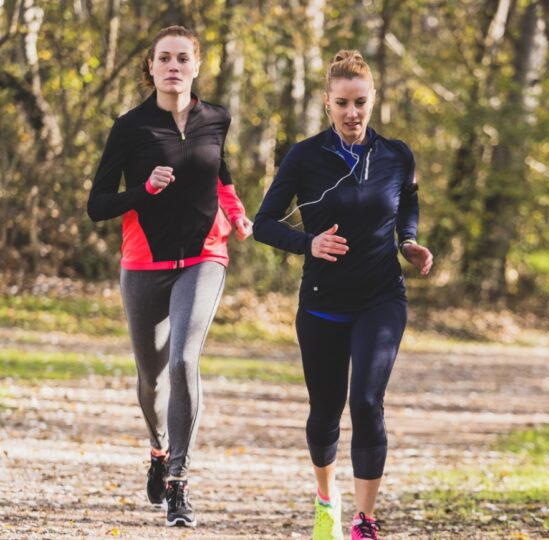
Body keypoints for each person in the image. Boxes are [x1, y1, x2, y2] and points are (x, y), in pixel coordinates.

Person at [253, 49, 433, 540]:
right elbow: (264, 224)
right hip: (322, 301)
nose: (352, 113)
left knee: (367, 401)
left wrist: (409, 243)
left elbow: (408, 203)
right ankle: (326, 501)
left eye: (361, 102)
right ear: (327, 104)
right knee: (325, 410)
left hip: (381, 297)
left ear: (373, 100)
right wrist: (308, 242)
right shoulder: (305, 156)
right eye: (342, 104)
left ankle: (365, 520)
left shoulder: (396, 154)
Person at [87, 25, 252, 528]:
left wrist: (238, 213)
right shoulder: (130, 127)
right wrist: (144, 189)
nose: (174, 65)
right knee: (150, 377)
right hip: (144, 265)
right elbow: (97, 205)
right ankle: (158, 449)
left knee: (183, 360)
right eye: (165, 58)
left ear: (196, 66)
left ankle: (179, 482)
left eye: (183, 57)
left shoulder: (215, 119)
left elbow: (219, 174)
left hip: (205, 256)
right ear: (152, 68)